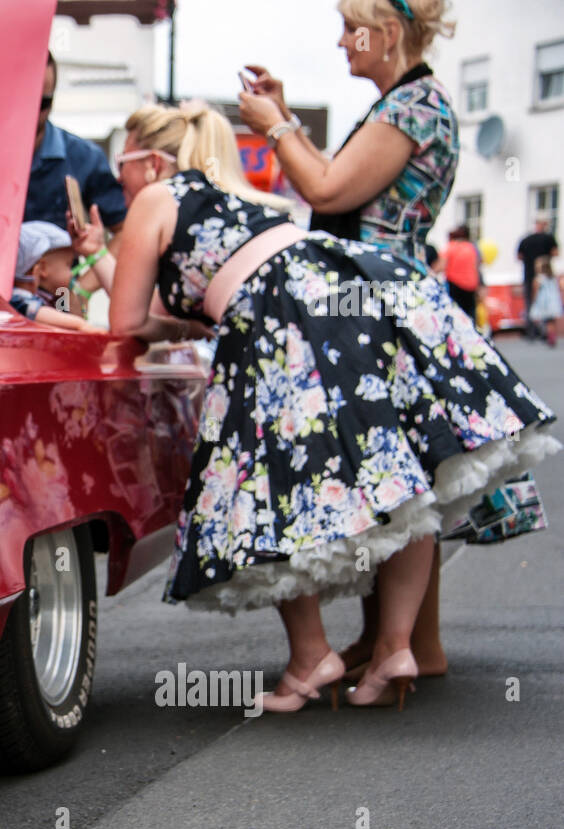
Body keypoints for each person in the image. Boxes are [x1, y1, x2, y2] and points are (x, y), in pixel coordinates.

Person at [108, 101, 559, 712]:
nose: (118, 176)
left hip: (281, 319)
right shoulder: (242, 197)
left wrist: (186, 329)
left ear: (154, 159)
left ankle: (310, 658)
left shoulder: (156, 198)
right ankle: (396, 646)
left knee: (270, 487)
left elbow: (127, 321)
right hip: (354, 284)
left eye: (122, 161)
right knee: (402, 471)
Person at [239, 0, 459, 685]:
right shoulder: (408, 103)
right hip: (384, 294)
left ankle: (406, 643)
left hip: (378, 299)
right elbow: (340, 189)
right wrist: (289, 119)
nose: (340, 43)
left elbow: (328, 186)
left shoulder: (411, 107)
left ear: (387, 34)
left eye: (349, 28)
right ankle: (406, 643)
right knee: (399, 467)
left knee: (391, 468)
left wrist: (274, 129)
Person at [27, 51, 128, 262]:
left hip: (57, 293)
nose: (32, 111)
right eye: (25, 100)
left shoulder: (83, 158)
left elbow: (126, 231)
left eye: (42, 103)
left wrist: (83, 286)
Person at [10, 219, 105, 331]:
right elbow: (37, 312)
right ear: (43, 269)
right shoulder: (16, 298)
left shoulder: (54, 297)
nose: (71, 273)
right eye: (68, 265)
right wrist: (80, 325)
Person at [518, 218, 558, 330]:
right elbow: (555, 253)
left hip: (529, 274)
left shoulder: (525, 240)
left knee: (530, 301)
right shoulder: (549, 238)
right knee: (547, 304)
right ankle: (545, 329)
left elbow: (519, 256)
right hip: (546, 274)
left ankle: (531, 329)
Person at [439, 225, 480, 320]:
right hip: (471, 286)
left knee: (456, 315)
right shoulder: (472, 247)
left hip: (455, 285)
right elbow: (477, 267)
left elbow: (441, 266)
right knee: (470, 315)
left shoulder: (451, 246)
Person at [528, 257, 563, 347]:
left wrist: (533, 301)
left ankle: (549, 336)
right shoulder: (553, 278)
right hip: (554, 301)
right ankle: (552, 335)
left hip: (544, 302)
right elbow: (559, 288)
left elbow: (535, 291)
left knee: (547, 321)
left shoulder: (538, 279)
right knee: (552, 321)